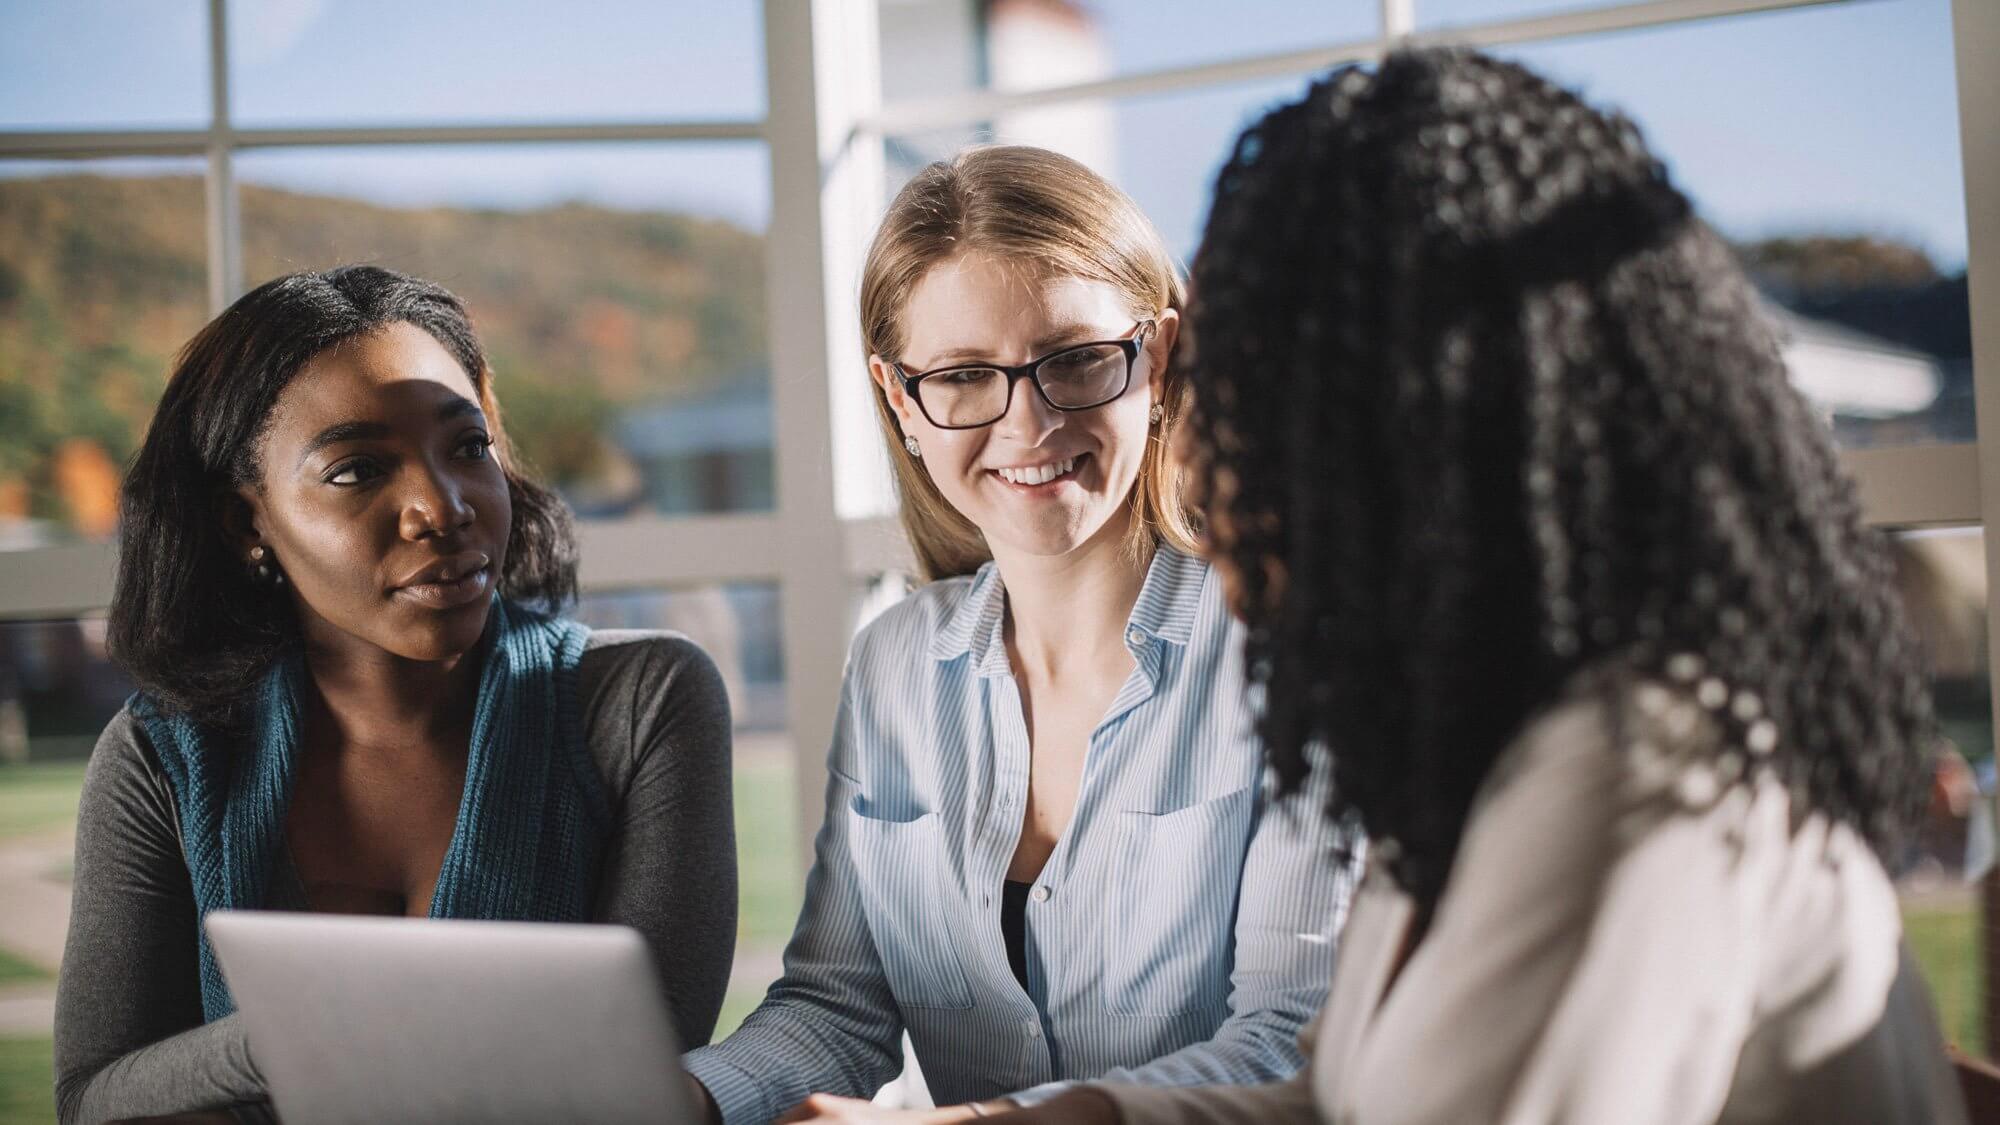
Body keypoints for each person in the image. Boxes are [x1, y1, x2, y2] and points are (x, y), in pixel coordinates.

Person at [1008, 48, 1970, 1124]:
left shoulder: (1639, 763)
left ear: (1412, 445)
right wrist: (1040, 1119)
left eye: (1259, 417)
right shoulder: (1479, 734)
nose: (1213, 477)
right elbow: (1342, 1100)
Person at [681, 146, 1362, 1125]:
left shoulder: (1288, 655)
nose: (1028, 421)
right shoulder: (894, 668)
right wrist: (683, 1100)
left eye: (1076, 360)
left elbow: (1290, 1043)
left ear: (1157, 358)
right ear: (899, 400)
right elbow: (836, 1008)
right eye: (962, 375)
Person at [53, 265, 738, 1125]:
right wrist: (300, 1026)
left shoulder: (644, 703)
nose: (441, 507)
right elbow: (92, 1099)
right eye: (358, 470)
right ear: (246, 521)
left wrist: (317, 1035)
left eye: (466, 447)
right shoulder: (164, 754)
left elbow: (644, 1070)